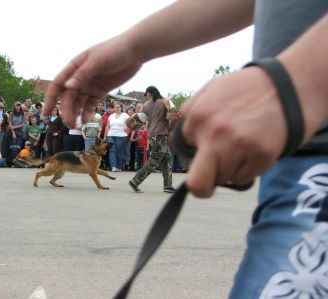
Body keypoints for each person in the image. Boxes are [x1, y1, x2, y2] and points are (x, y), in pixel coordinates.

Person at [43, 1, 328, 297]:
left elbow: (136, 121)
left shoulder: (155, 104)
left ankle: (156, 182)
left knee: (163, 162)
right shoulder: (155, 104)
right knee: (159, 161)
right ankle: (144, 180)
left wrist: (292, 79)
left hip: (314, 155)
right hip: (288, 159)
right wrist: (133, 45)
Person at [127, 86, 175, 192]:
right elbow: (173, 115)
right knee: (154, 161)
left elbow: (140, 119)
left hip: (153, 134)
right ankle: (135, 181)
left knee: (167, 159)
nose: (147, 96)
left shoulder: (145, 105)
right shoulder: (166, 101)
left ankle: (168, 186)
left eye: (147, 94)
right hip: (160, 134)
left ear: (151, 93)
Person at [103, 101, 129, 172]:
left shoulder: (125, 115)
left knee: (120, 152)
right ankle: (113, 167)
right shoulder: (111, 116)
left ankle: (119, 166)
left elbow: (130, 123)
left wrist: (128, 129)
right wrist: (105, 136)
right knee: (112, 150)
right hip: (110, 135)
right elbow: (108, 126)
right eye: (115, 107)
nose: (116, 108)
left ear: (121, 108)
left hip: (121, 136)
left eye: (118, 107)